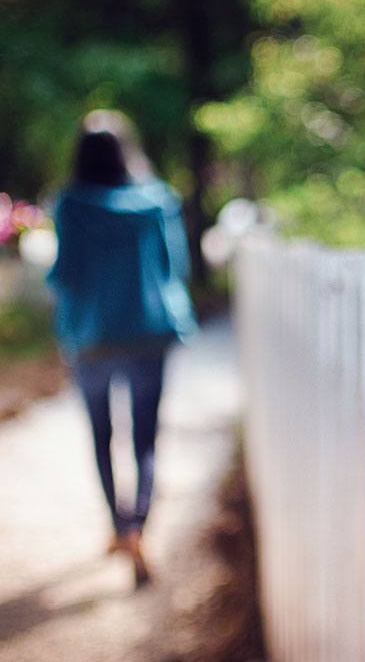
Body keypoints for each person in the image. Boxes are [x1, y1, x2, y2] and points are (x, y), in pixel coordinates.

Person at [47, 110, 197, 586]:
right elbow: (175, 267)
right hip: (149, 331)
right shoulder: (157, 201)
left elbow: (64, 274)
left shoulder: (69, 204)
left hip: (90, 337)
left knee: (102, 435)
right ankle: (138, 529)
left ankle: (117, 524)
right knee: (145, 439)